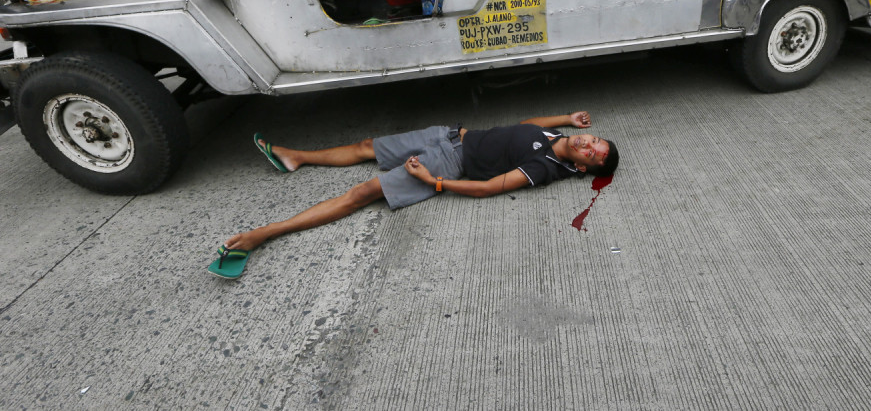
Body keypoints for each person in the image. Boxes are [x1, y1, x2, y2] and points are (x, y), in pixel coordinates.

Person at [211, 112, 619, 276]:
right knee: (367, 146)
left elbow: (488, 187)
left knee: (363, 193)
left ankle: (265, 233)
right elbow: (525, 125)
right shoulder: (554, 136)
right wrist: (566, 117)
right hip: (447, 134)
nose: (588, 144)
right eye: (594, 140)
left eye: (593, 154)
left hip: (449, 163)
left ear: (583, 168)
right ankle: (296, 157)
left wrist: (434, 182)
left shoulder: (543, 168)